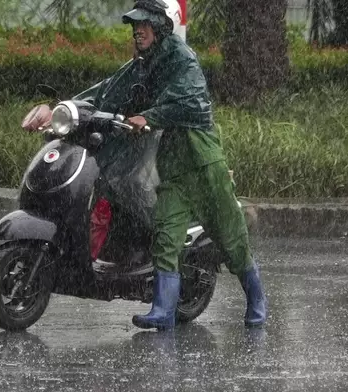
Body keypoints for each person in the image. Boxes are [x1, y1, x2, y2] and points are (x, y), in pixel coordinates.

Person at [75, 0, 268, 330]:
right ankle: (163, 309)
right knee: (165, 237)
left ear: (161, 27)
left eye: (145, 25)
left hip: (204, 163)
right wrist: (69, 108)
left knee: (231, 238)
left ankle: (257, 300)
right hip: (174, 168)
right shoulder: (142, 64)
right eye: (135, 26)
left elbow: (188, 100)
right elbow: (108, 91)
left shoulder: (181, 58)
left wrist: (148, 116)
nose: (138, 30)